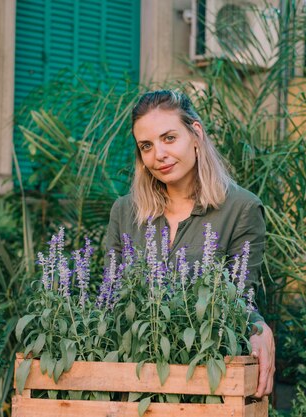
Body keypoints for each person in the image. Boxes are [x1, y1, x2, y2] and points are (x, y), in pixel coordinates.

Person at [106, 89, 275, 398]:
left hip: (204, 387)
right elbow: (111, 300)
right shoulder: (125, 212)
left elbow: (241, 298)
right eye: (147, 146)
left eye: (169, 138)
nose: (158, 154)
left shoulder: (241, 209)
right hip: (132, 387)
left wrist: (259, 328)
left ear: (195, 133)